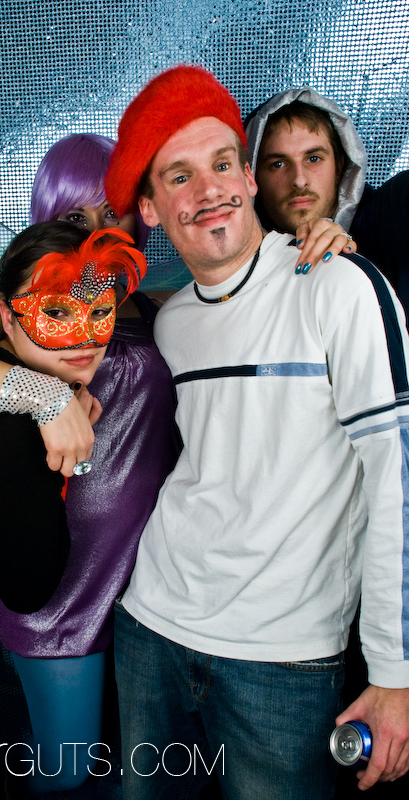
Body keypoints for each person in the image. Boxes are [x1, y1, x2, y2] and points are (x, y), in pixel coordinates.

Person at [101, 64, 409, 800]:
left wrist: (397, 673)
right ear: (150, 208)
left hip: (284, 662)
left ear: (246, 175)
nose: (209, 190)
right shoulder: (170, 322)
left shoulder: (340, 286)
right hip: (149, 627)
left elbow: (399, 479)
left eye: (221, 164)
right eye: (179, 177)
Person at [0, 134, 181, 798]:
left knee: (141, 766)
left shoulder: (157, 301)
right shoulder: (19, 302)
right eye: (76, 216)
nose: (96, 230)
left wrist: (322, 249)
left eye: (110, 212)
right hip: (63, 587)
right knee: (67, 771)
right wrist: (44, 395)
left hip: (151, 588)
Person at [245, 87, 409, 312]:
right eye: (278, 164)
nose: (299, 180)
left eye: (313, 158)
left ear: (340, 166)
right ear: (253, 176)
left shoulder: (392, 212)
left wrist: (351, 255)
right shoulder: (240, 268)